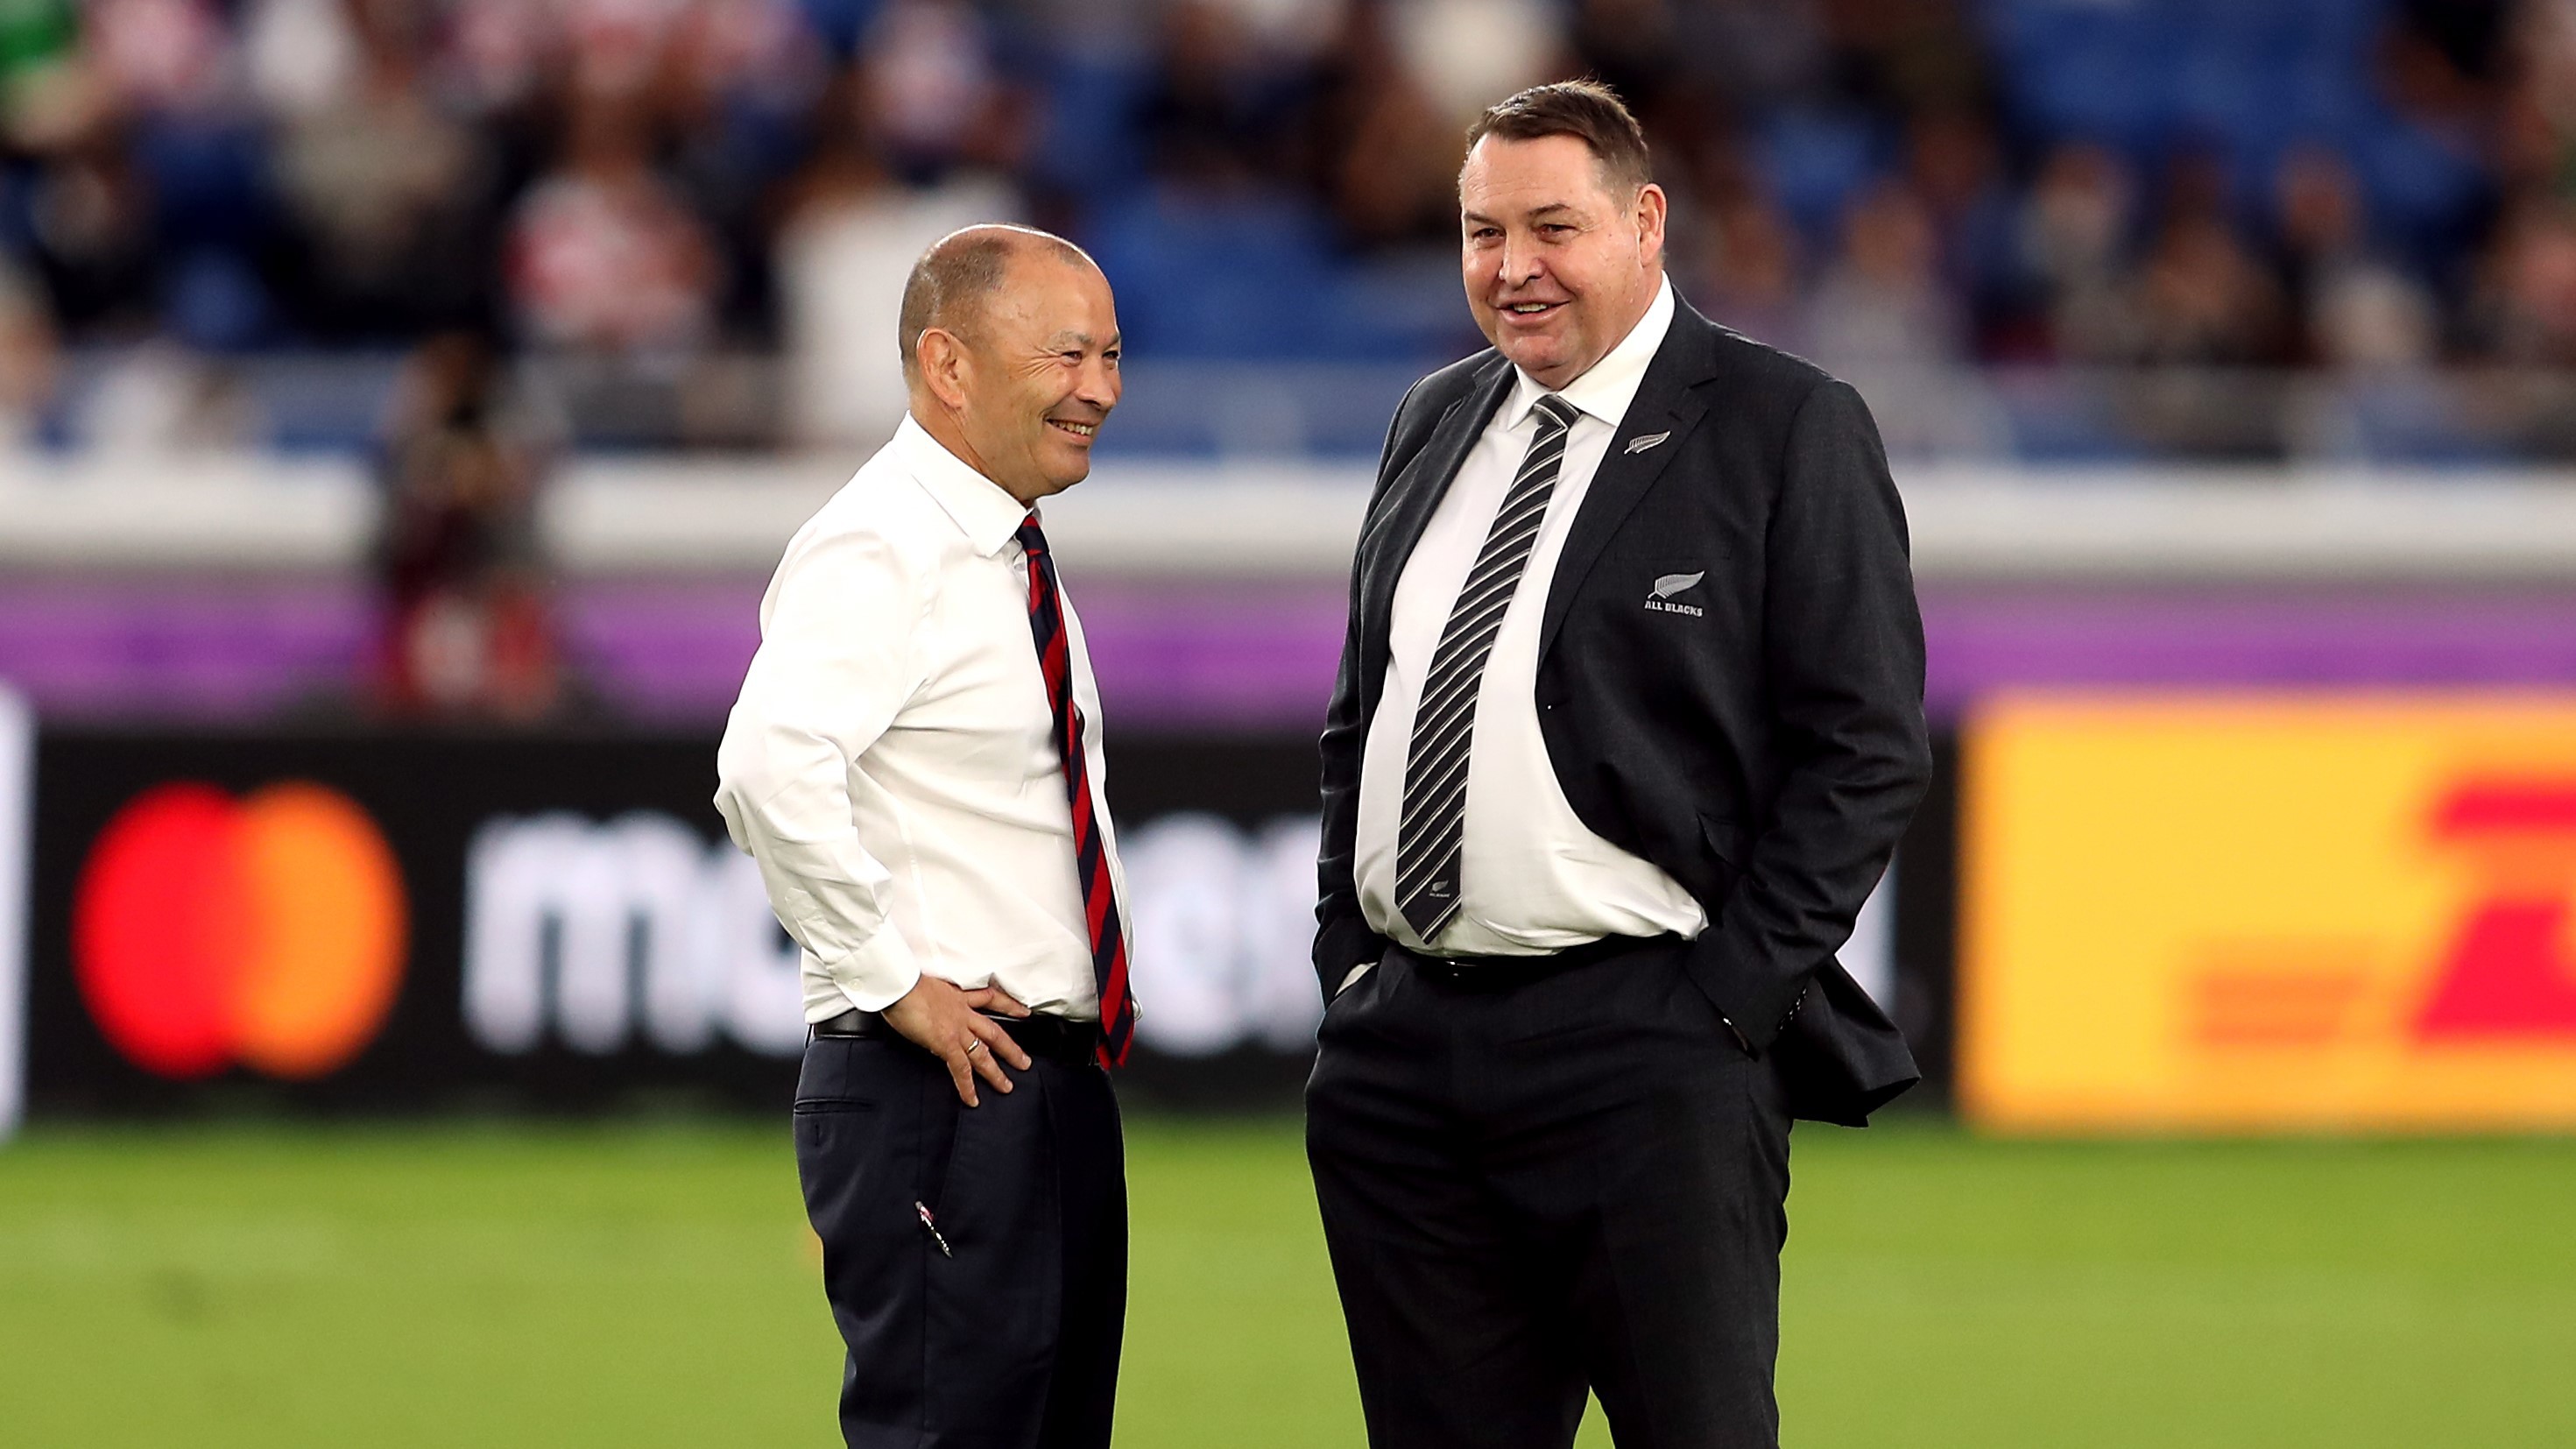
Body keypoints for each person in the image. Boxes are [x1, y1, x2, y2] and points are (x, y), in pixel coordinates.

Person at [1308, 81, 1931, 1449]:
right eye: (1481, 233)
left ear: (1645, 222)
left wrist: (1723, 1000)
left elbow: (1866, 744)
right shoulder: (1431, 416)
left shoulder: (1783, 423)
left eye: (1550, 227)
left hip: (1646, 1050)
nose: (1510, 268)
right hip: (1405, 1063)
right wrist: (1348, 961)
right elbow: (1368, 710)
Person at [714, 223, 1136, 1449]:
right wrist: (893, 980)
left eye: (1110, 353)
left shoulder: (996, 547)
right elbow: (766, 767)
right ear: (947, 366)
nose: (1100, 387)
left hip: (1033, 1085)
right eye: (1066, 353)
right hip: (942, 1089)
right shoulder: (882, 539)